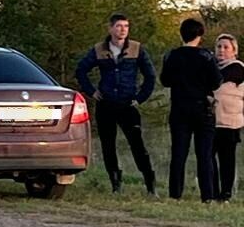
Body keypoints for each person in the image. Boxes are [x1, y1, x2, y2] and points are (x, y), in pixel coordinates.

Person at [76, 13, 157, 195]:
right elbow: (81, 70)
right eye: (119, 26)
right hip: (106, 104)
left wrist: (140, 97)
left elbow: (150, 76)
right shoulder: (99, 50)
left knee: (137, 145)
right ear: (110, 28)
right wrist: (91, 91)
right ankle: (115, 183)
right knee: (108, 145)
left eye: (126, 26)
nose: (123, 30)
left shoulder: (136, 49)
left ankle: (150, 183)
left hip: (128, 103)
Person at [160, 18, 222, 202]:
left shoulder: (172, 55)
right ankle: (207, 195)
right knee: (204, 154)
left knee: (179, 152)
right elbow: (216, 81)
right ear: (200, 35)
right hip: (202, 108)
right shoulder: (206, 57)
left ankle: (175, 193)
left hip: (180, 108)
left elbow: (165, 80)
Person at [212, 33, 244, 203]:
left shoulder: (237, 68)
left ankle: (225, 194)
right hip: (212, 121)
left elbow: (217, 80)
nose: (221, 50)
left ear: (234, 51)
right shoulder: (212, 67)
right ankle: (213, 191)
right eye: (219, 47)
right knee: (208, 157)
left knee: (226, 159)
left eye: (226, 47)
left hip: (229, 122)